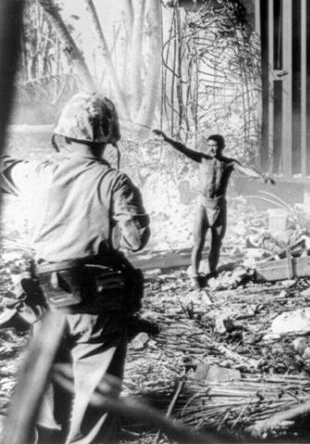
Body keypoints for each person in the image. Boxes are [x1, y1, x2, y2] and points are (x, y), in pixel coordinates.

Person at [0, 92, 150, 443]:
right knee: (94, 400)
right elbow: (135, 240)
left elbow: (6, 169)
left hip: (47, 301)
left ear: (63, 136)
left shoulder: (38, 173)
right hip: (97, 307)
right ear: (110, 140)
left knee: (49, 392)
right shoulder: (115, 182)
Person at [152, 129, 273, 289]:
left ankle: (211, 272)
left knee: (216, 243)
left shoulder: (229, 163)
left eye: (215, 146)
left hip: (219, 205)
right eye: (209, 145)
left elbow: (244, 169)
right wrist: (166, 139)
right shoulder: (203, 159)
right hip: (203, 204)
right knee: (198, 243)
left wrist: (261, 177)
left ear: (221, 146)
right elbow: (183, 149)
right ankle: (195, 276)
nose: (211, 149)